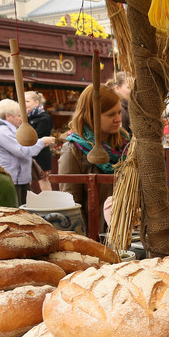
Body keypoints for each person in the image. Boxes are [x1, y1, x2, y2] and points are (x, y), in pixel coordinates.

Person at [58, 84, 128, 230]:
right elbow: (72, 205)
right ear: (91, 115)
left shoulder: (125, 143)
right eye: (111, 115)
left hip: (129, 231)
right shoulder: (73, 151)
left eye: (119, 113)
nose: (118, 119)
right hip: (97, 234)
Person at [0, 99, 56, 206]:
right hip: (11, 179)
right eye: (19, 116)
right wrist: (42, 142)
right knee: (16, 211)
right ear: (8, 116)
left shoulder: (10, 129)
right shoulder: (2, 131)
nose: (22, 119)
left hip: (18, 178)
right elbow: (22, 151)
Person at [25, 91, 55, 175]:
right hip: (27, 153)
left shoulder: (44, 118)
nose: (24, 104)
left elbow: (38, 136)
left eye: (27, 101)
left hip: (41, 154)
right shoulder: (24, 117)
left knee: (44, 180)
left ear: (36, 102)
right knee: (26, 180)